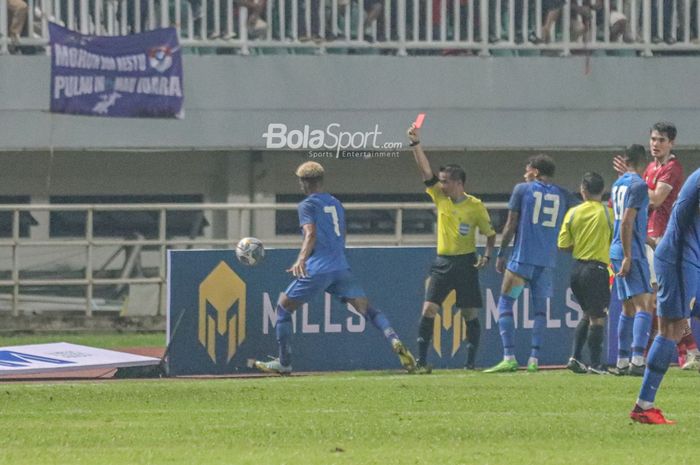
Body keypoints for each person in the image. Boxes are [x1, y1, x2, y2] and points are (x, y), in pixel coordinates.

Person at [252, 161, 416, 374]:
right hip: (340, 266)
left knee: (283, 308)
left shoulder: (307, 205)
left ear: (304, 182)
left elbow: (310, 233)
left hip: (318, 267)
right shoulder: (336, 203)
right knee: (368, 309)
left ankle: (284, 362)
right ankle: (394, 339)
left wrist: (301, 259)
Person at [407, 123, 496, 372]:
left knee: (470, 315)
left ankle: (470, 364)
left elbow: (490, 235)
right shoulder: (440, 196)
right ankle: (422, 361)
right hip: (443, 263)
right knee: (429, 310)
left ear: (458, 183)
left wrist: (487, 256)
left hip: (466, 263)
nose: (440, 184)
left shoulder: (475, 206)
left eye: (445, 181)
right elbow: (424, 170)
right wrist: (415, 144)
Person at [614, 122, 699, 370]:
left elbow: (656, 198)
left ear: (671, 143)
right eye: (653, 139)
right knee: (655, 303)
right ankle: (687, 351)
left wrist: (633, 181)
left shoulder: (672, 168)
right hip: (648, 239)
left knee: (660, 302)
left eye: (661, 140)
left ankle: (686, 350)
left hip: (664, 239)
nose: (655, 144)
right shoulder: (650, 168)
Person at [484, 154, 572, 373]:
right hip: (547, 262)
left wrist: (502, 253)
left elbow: (511, 224)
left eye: (527, 170)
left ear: (535, 172)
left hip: (522, 259)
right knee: (540, 311)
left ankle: (509, 356)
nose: (525, 174)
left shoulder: (522, 189)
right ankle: (534, 360)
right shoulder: (563, 194)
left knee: (505, 303)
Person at [630, 167, 700, 424]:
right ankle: (643, 405)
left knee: (672, 327)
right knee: (671, 329)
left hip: (689, 256)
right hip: (679, 257)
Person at [558, 172, 613, 375]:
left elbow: (562, 245)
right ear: (602, 190)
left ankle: (575, 358)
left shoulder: (573, 213)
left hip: (577, 270)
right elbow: (616, 239)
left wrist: (581, 245)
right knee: (598, 318)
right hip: (596, 269)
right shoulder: (607, 213)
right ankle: (596, 365)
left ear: (583, 190)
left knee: (588, 314)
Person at [609, 144, 654, 377]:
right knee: (645, 304)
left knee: (627, 307)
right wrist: (629, 256)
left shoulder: (618, 184)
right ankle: (638, 360)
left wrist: (649, 241)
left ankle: (622, 361)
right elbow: (627, 221)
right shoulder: (639, 185)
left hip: (616, 248)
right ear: (643, 161)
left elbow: (624, 222)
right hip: (630, 252)